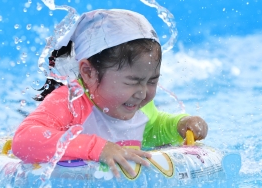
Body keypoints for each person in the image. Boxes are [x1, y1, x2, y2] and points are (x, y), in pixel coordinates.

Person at [12, 9, 208, 178]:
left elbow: (152, 129)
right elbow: (24, 140)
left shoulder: (138, 105)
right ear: (89, 73)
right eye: (133, 81)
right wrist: (98, 148)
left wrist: (180, 125)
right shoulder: (70, 101)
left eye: (152, 81)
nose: (141, 93)